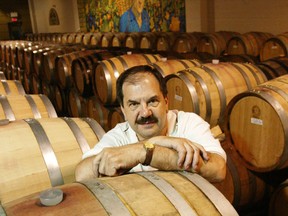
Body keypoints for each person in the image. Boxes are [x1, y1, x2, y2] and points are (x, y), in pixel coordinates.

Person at [75, 65, 227, 182]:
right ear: (123, 109)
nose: (145, 112)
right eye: (134, 104)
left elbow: (218, 170)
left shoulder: (188, 123)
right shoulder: (119, 135)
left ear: (166, 102)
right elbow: (81, 174)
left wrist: (145, 152)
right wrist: (151, 145)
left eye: (152, 101)